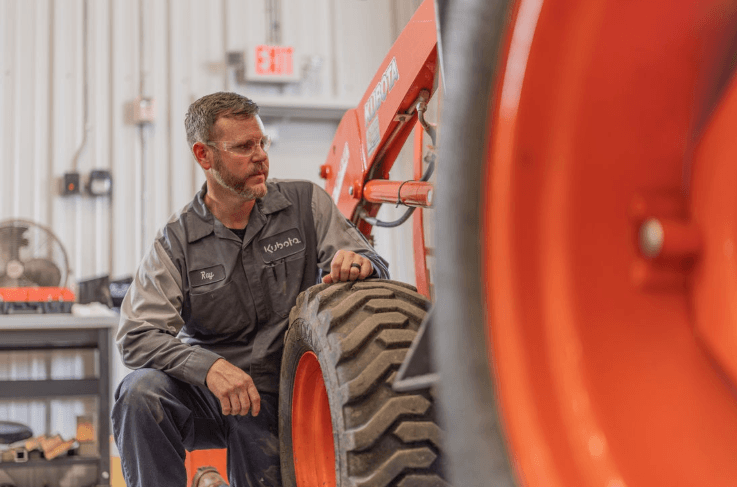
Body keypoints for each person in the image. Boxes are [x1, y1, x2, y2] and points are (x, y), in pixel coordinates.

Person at [112, 92, 389, 487]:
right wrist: (209, 368)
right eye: (244, 146)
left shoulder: (306, 202)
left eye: (262, 143)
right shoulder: (177, 241)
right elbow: (136, 336)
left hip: (292, 392)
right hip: (211, 396)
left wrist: (361, 262)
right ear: (204, 156)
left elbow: (369, 260)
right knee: (140, 394)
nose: (260, 155)